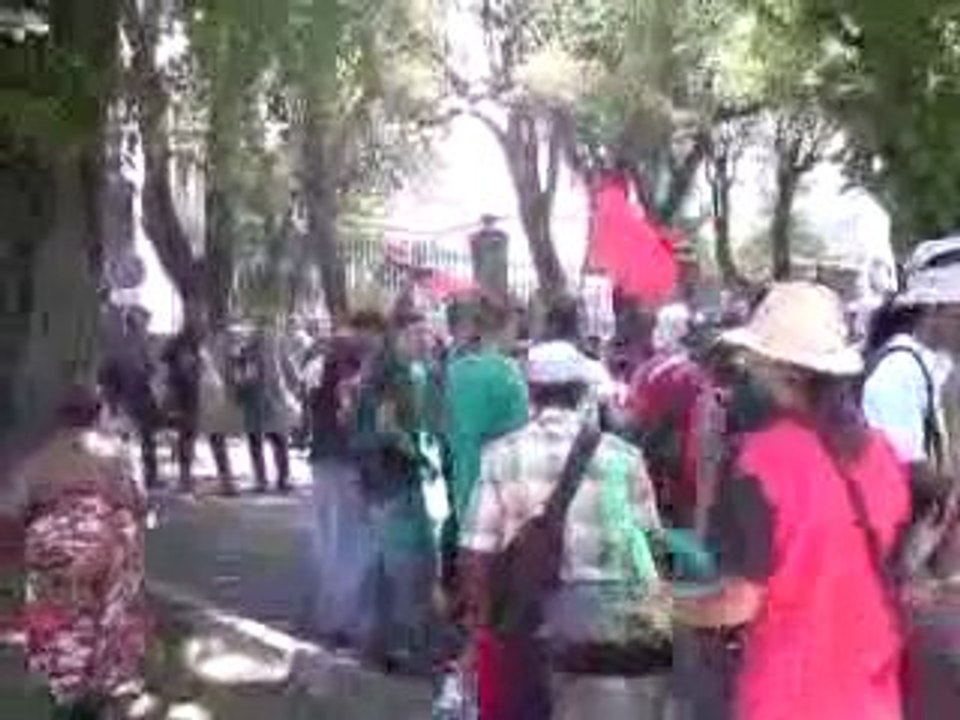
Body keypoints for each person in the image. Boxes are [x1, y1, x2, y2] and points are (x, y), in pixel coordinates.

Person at [672, 282, 910, 720]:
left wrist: (661, 605)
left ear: (786, 371)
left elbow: (739, 602)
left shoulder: (758, 461)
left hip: (787, 697)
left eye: (758, 360)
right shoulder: (884, 456)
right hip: (874, 696)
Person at [460, 341, 663, 719]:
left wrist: (482, 628)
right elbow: (650, 551)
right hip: (608, 623)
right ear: (583, 391)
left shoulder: (502, 454)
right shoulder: (624, 456)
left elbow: (476, 553)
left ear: (532, 393)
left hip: (531, 621)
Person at [2, 386, 148, 719]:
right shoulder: (118, 453)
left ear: (59, 418)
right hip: (109, 537)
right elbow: (137, 501)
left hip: (54, 537)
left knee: (61, 613)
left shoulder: (40, 457)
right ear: (98, 415)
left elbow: (10, 509)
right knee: (113, 612)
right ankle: (107, 684)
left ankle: (68, 687)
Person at [352, 307, 440, 669]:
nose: (426, 340)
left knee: (388, 569)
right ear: (401, 334)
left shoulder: (386, 367)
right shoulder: (392, 370)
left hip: (382, 480)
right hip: (394, 479)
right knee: (410, 568)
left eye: (427, 333)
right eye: (419, 333)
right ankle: (415, 650)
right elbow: (387, 426)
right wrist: (422, 457)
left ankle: (377, 647)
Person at [862, 256, 960, 511]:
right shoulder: (897, 373)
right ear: (934, 310)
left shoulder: (938, 363)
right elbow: (909, 469)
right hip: (906, 532)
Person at [305, 329, 377, 647]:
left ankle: (330, 615)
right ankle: (348, 620)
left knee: (328, 541)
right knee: (352, 544)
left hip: (322, 463)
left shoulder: (320, 381)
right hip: (346, 465)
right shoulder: (351, 385)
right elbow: (350, 424)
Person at [161, 313, 234, 494]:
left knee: (194, 438)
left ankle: (194, 481)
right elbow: (182, 372)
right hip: (199, 397)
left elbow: (180, 373)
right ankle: (222, 481)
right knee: (200, 439)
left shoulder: (189, 348)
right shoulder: (192, 347)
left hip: (199, 398)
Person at [232, 325, 294, 494]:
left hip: (268, 400)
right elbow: (240, 378)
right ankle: (265, 479)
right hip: (256, 401)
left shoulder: (275, 346)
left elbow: (288, 368)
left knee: (276, 439)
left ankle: (279, 478)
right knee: (261, 440)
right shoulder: (245, 353)